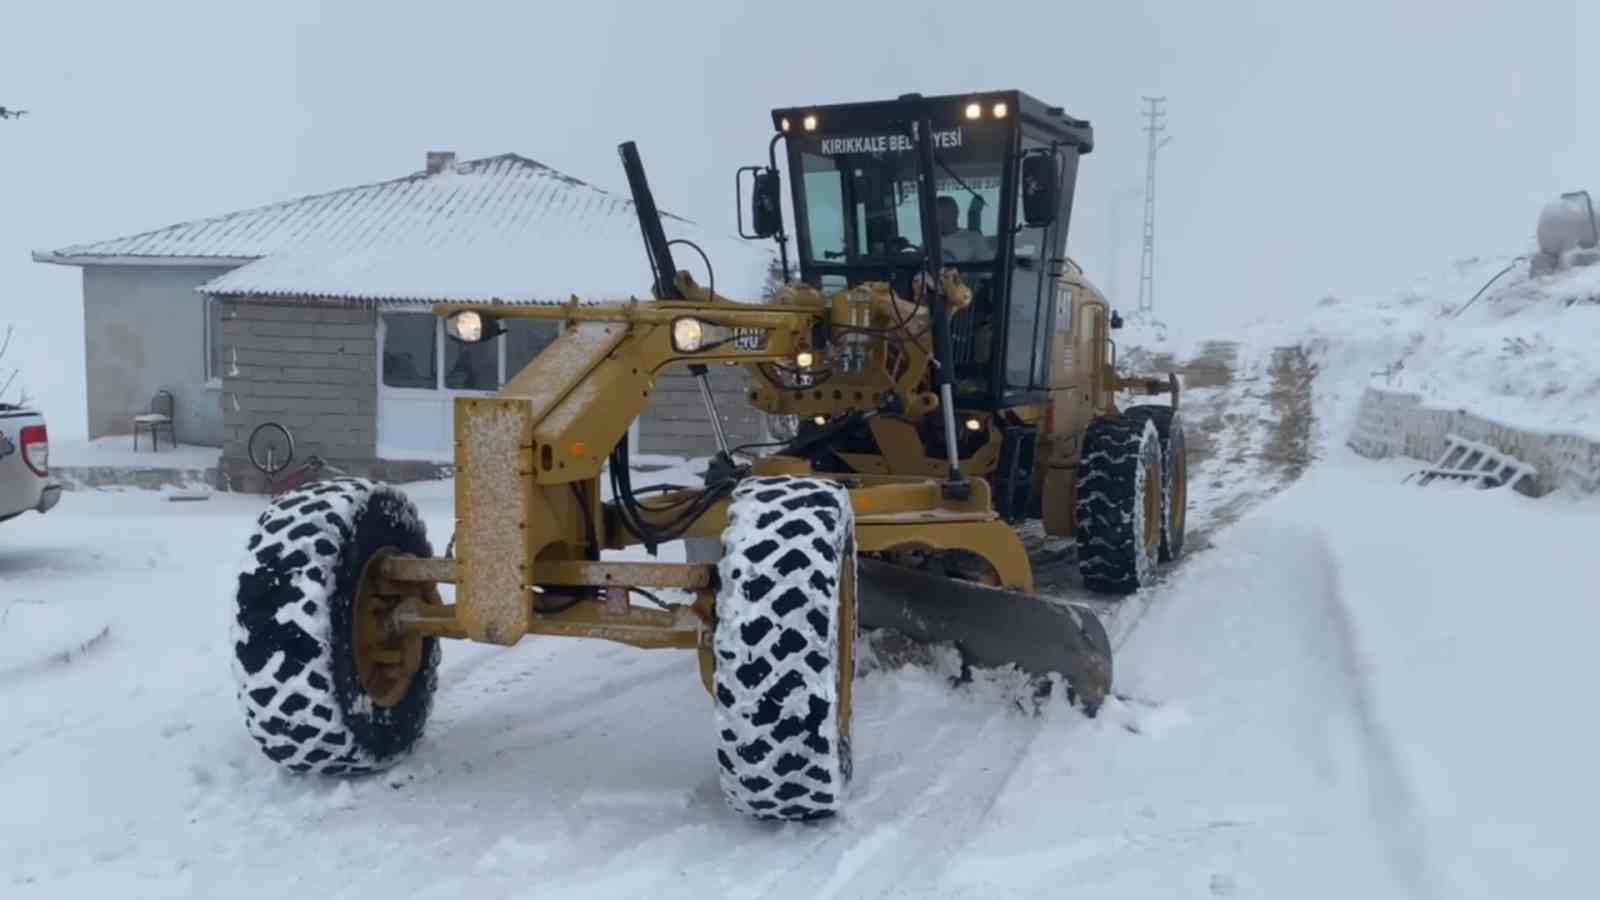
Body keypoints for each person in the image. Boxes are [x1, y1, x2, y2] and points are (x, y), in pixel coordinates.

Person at [937, 195, 993, 262]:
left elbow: (987, 268)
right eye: (938, 213)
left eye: (945, 212)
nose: (941, 217)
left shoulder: (973, 238)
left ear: (956, 213)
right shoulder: (929, 243)